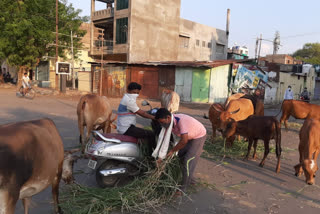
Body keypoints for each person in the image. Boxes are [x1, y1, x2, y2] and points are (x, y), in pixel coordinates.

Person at [155, 108, 207, 195]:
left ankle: (183, 189)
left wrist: (172, 151)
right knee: (180, 156)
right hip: (188, 136)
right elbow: (163, 141)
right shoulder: (168, 124)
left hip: (198, 136)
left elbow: (183, 141)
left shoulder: (181, 121)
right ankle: (191, 180)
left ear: (168, 118)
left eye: (162, 122)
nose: (162, 124)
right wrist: (161, 157)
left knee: (188, 161)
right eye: (160, 122)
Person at [117, 82, 156, 155]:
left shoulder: (126, 98)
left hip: (126, 127)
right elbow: (142, 114)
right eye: (133, 92)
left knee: (144, 132)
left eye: (137, 93)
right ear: (128, 91)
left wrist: (149, 112)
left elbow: (138, 110)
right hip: (127, 128)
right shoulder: (129, 101)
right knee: (151, 134)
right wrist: (155, 118)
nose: (135, 95)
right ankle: (151, 157)